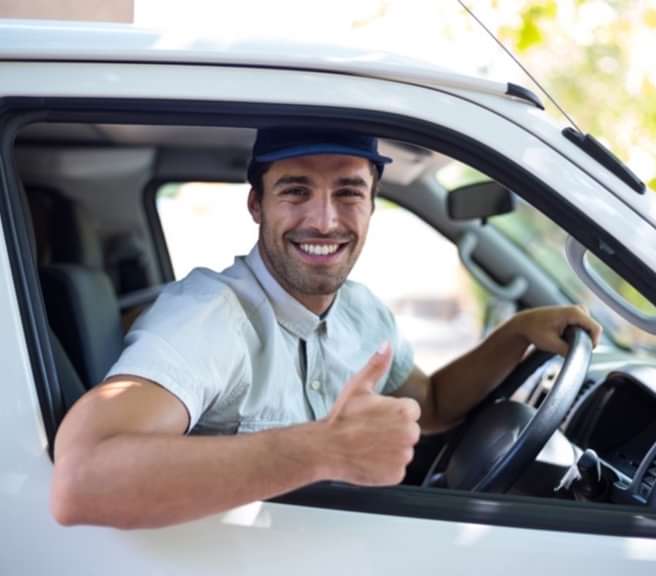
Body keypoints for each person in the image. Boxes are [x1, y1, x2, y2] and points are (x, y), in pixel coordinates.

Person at [50, 128, 602, 529]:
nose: (324, 220)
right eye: (295, 191)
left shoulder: (361, 310)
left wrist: (516, 335)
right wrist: (323, 451)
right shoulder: (210, 317)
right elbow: (82, 479)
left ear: (371, 205)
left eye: (347, 192)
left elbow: (431, 403)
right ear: (256, 205)